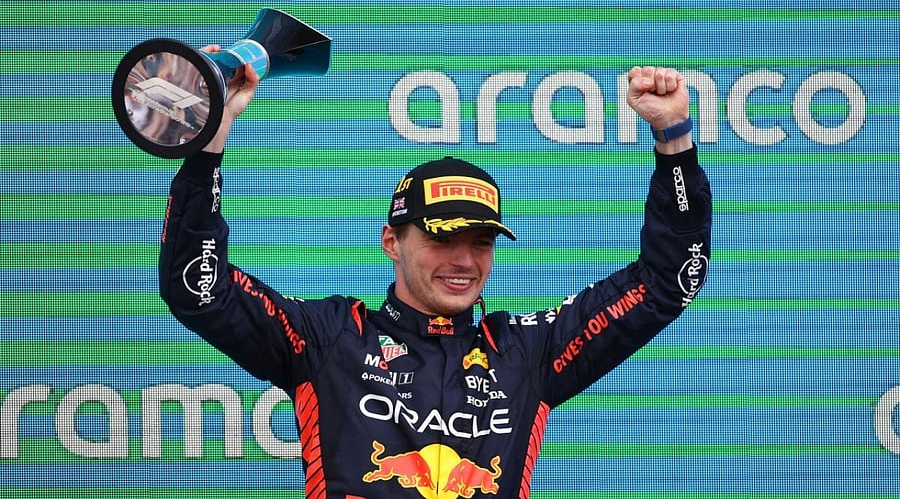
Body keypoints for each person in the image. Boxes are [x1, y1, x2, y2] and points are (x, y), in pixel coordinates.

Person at [158, 52, 711, 498]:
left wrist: (674, 138)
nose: (464, 262)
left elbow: (668, 282)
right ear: (391, 241)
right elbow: (197, 287)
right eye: (442, 239)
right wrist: (212, 135)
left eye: (481, 242)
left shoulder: (528, 351)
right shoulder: (329, 338)